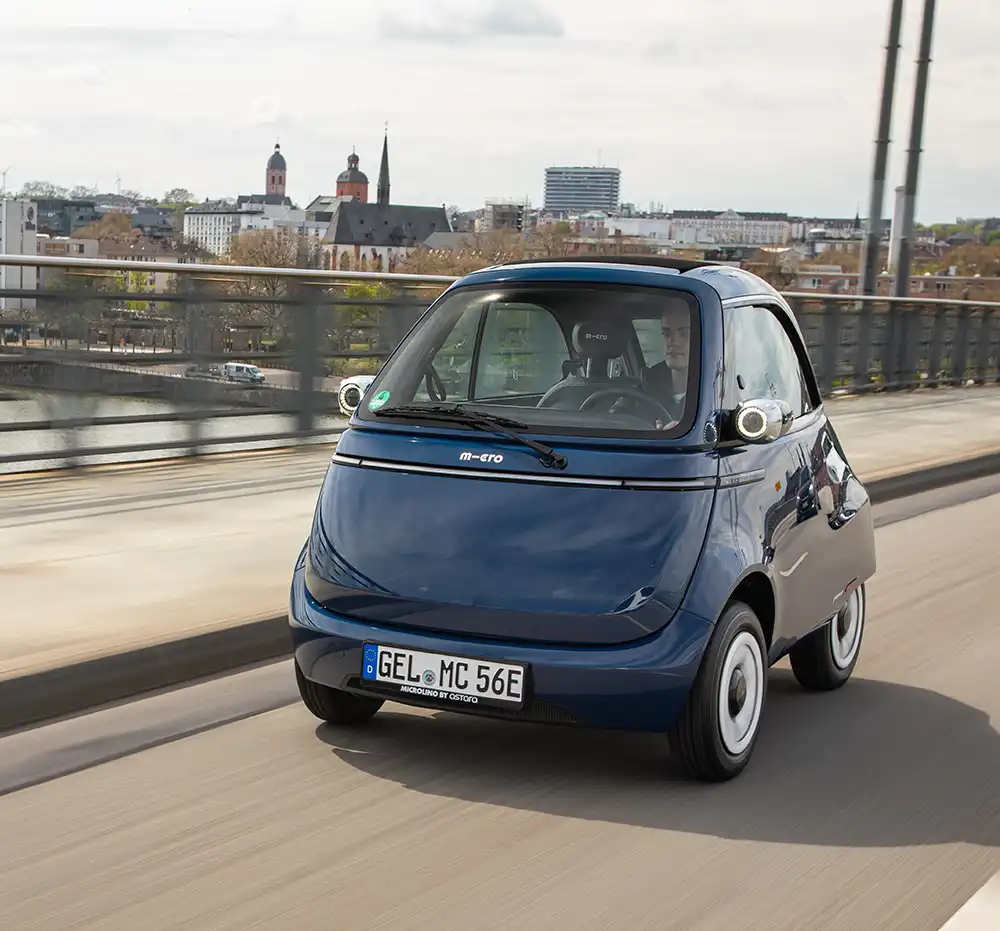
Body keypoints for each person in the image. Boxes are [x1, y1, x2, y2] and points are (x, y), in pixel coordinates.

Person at [644, 296, 692, 429]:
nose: (673, 342)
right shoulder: (645, 385)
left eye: (684, 334)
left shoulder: (718, 391)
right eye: (666, 333)